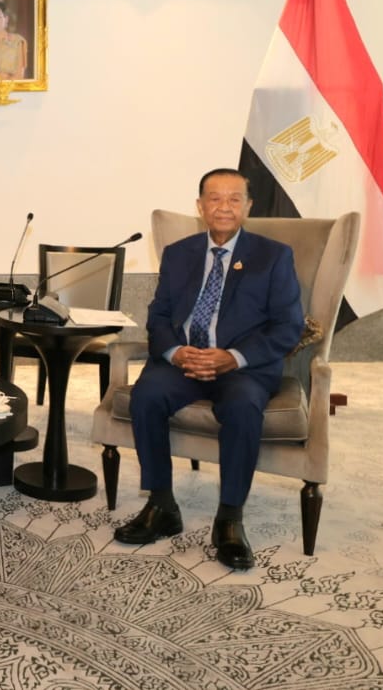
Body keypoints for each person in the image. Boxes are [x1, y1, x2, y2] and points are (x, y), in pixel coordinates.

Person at [113, 168, 304, 569]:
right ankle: (162, 505)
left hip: (243, 367)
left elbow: (288, 327)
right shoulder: (179, 253)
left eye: (234, 199)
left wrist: (232, 357)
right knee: (146, 395)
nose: (224, 207)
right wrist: (175, 352)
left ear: (248, 207)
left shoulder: (274, 256)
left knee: (242, 407)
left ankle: (229, 518)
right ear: (200, 206)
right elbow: (159, 315)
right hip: (184, 360)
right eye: (214, 198)